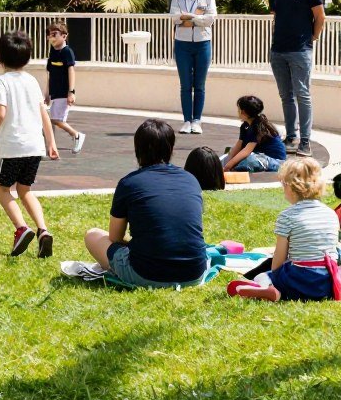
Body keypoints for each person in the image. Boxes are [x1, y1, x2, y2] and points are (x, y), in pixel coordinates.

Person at [84, 119, 209, 288]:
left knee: (92, 235)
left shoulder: (129, 183)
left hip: (145, 273)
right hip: (194, 273)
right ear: (171, 148)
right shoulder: (190, 179)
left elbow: (115, 238)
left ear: (138, 149)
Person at [0, 31, 59, 258]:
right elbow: (43, 113)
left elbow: (0, 113)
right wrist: (51, 142)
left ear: (0, 57)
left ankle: (21, 228)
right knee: (25, 190)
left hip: (13, 147)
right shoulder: (31, 81)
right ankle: (43, 230)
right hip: (35, 146)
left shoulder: (1, 82)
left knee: (2, 189)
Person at [227, 159, 340, 301]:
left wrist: (274, 275)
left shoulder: (287, 216)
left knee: (262, 276)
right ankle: (280, 292)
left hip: (299, 278)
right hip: (327, 282)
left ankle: (272, 290)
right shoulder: (331, 214)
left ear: (291, 187)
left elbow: (278, 259)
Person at [268, 0, 325, 158]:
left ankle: (305, 141)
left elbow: (320, 16)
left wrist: (313, 36)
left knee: (302, 94)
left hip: (300, 50)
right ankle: (291, 137)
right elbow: (277, 16)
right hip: (278, 51)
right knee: (286, 96)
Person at [170, 0, 217, 135]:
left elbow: (210, 19)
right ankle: (186, 121)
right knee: (185, 85)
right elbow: (174, 18)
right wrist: (197, 18)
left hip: (202, 44)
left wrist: (189, 18)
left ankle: (197, 120)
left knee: (199, 85)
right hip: (182, 44)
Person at [45, 20, 85, 153]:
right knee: (51, 120)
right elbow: (50, 73)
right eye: (49, 35)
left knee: (56, 119)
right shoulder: (52, 52)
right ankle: (50, 146)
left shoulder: (67, 52)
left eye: (54, 34)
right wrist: (47, 93)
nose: (51, 37)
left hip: (63, 93)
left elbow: (71, 71)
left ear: (64, 36)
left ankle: (77, 135)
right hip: (55, 93)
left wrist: (71, 92)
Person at [221, 95, 287, 173]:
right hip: (259, 156)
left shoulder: (257, 127)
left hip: (275, 161)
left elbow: (246, 151)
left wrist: (227, 167)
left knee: (250, 160)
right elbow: (238, 146)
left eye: (238, 109)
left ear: (243, 112)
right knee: (228, 154)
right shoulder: (245, 126)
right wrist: (227, 163)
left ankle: (236, 170)